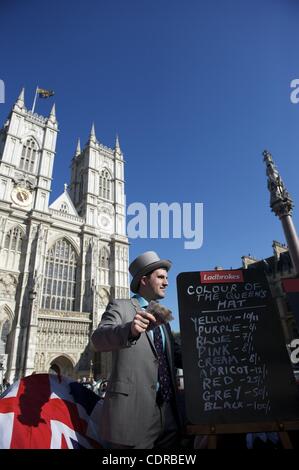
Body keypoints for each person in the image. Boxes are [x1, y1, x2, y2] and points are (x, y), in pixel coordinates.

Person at [91, 251, 182, 449]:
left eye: (166, 278)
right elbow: (98, 339)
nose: (166, 282)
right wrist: (129, 330)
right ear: (143, 280)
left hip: (169, 417)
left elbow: (176, 356)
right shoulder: (121, 307)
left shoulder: (162, 317)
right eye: (160, 277)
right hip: (132, 417)